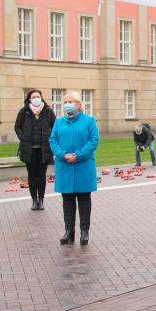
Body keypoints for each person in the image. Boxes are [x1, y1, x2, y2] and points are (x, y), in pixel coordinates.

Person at [49, 91, 100, 245]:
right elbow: (53, 140)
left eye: (71, 101)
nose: (67, 105)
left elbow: (93, 140)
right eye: (65, 102)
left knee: (84, 199)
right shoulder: (59, 122)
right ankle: (68, 230)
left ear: (78, 104)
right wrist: (62, 155)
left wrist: (78, 155)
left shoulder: (89, 121)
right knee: (67, 200)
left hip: (83, 165)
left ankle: (84, 231)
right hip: (64, 166)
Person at [15, 89, 56, 211]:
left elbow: (55, 127)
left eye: (38, 96)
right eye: (34, 97)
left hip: (44, 149)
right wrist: (23, 138)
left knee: (42, 175)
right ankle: (34, 200)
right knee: (32, 176)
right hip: (29, 149)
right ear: (29, 99)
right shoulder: (24, 111)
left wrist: (51, 139)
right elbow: (17, 126)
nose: (36, 98)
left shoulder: (48, 111)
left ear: (42, 98)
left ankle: (41, 200)